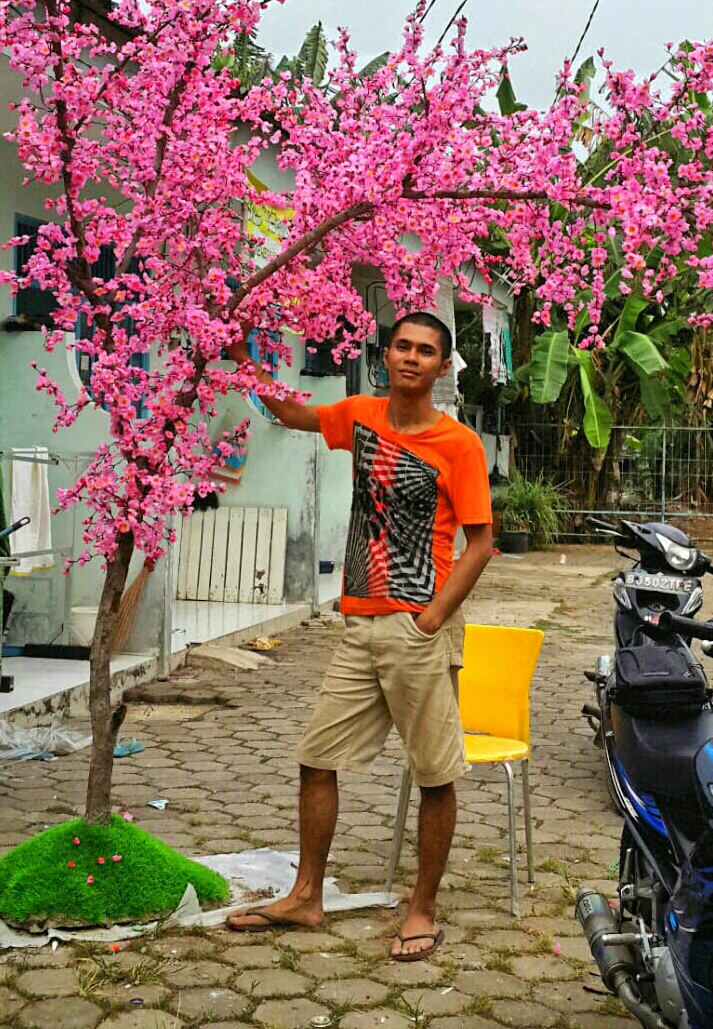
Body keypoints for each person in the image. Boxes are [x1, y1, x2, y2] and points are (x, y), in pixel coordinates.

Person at [225, 311, 493, 963]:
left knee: (432, 774)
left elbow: (483, 544)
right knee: (316, 758)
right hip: (358, 624)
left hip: (416, 627)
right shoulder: (361, 415)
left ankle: (422, 908)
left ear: (439, 367)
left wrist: (431, 618)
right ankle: (306, 896)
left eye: (425, 351)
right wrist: (238, 349)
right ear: (385, 355)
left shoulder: (458, 444)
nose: (411, 357)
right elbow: (291, 414)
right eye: (402, 345)